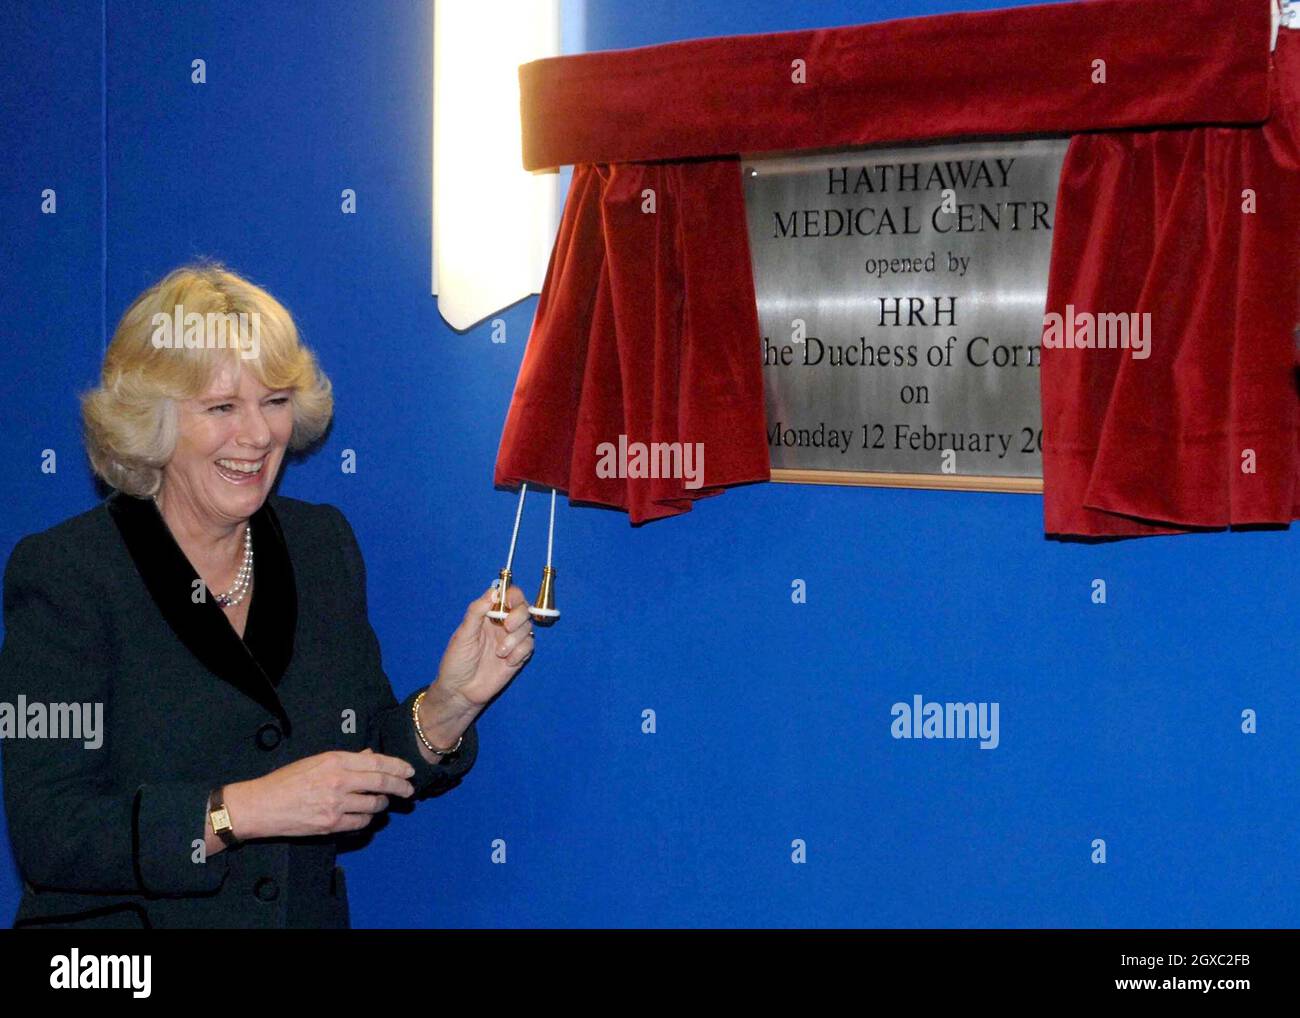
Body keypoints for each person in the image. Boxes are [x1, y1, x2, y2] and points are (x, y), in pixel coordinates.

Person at [0, 262, 535, 928]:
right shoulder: (68, 573)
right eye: (222, 407)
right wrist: (242, 810)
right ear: (153, 420)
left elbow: (359, 761)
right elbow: (53, 834)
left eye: (275, 401)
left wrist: (451, 705)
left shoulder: (320, 546)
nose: (257, 435)